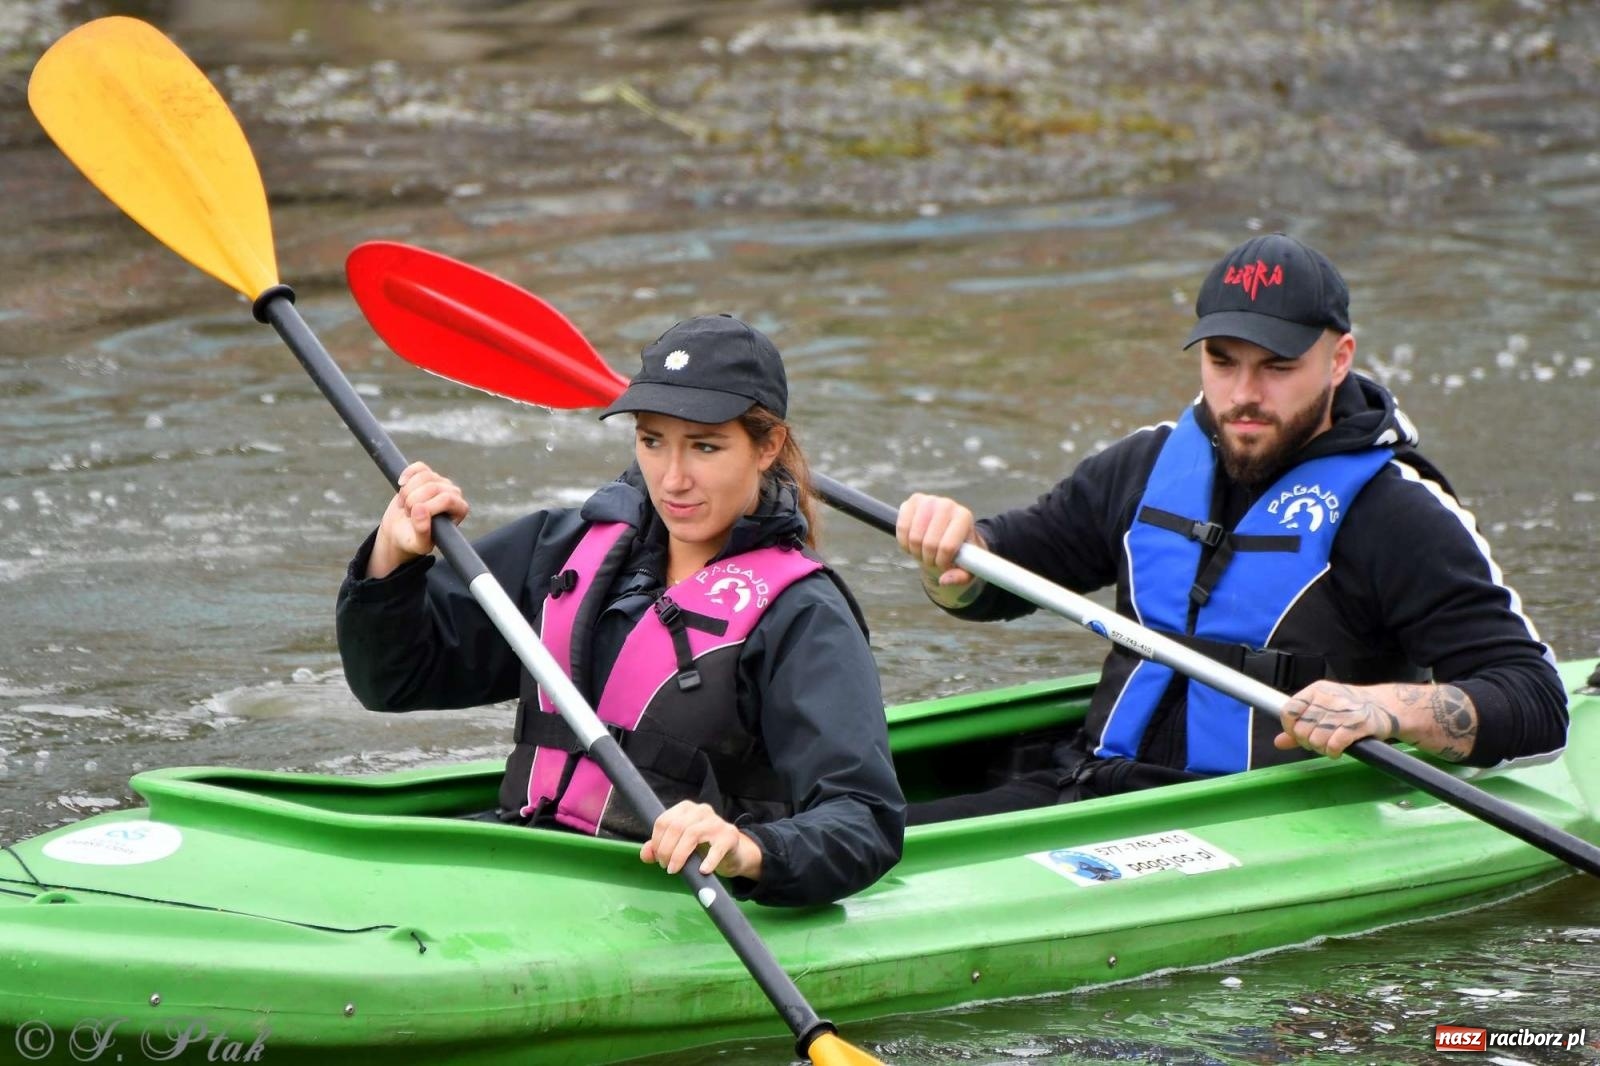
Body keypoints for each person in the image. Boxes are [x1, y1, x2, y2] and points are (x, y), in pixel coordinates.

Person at [896, 233, 1568, 823]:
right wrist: (951, 558)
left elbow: (1534, 698)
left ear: (1339, 361)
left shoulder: (1397, 514)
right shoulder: (1145, 466)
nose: (1245, 393)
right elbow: (995, 577)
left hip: (1258, 823)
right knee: (872, 846)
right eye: (1223, 361)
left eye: (1277, 367)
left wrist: (1387, 709)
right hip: (1091, 790)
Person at [337, 313, 905, 905]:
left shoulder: (802, 613)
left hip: (665, 898)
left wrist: (747, 849)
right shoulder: (563, 551)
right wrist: (392, 562)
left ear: (767, 447)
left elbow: (863, 820)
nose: (674, 479)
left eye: (705, 447)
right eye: (652, 441)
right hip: (526, 861)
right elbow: (392, 681)